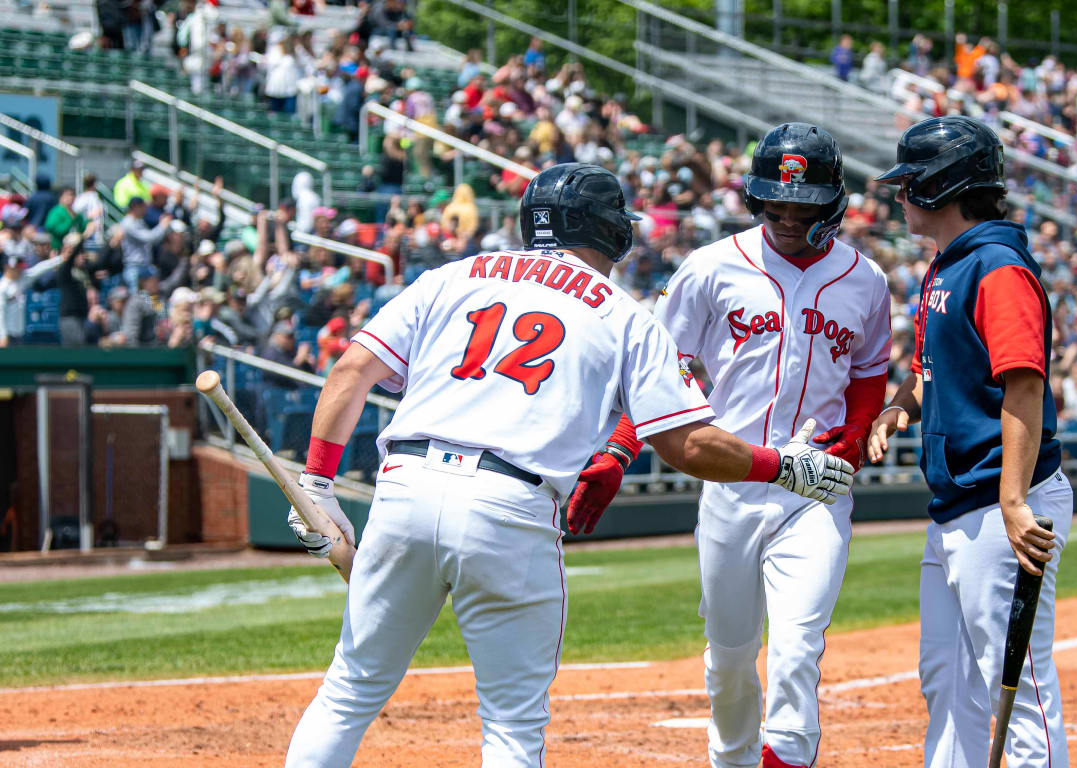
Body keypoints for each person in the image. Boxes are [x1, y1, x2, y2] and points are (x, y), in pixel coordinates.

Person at [281, 163, 854, 768]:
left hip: (404, 488)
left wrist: (316, 484)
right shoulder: (622, 312)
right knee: (510, 725)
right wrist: (782, 467)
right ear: (612, 232)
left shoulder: (451, 276)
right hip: (510, 507)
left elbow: (350, 371)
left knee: (348, 692)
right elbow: (688, 446)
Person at [562, 123, 891, 768]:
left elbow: (870, 372)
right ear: (755, 197)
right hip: (729, 481)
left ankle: (788, 756)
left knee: (797, 646)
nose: (789, 216)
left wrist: (850, 444)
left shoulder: (866, 279)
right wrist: (621, 449)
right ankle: (733, 759)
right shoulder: (711, 266)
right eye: (777, 202)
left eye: (804, 204)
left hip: (815, 492)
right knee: (731, 656)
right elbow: (660, 370)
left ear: (833, 201)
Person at [868, 115, 1071, 768]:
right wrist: (899, 405)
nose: (899, 197)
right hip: (959, 500)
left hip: (1000, 500)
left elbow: (1025, 387)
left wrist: (1014, 501)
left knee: (1019, 683)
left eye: (909, 185)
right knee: (948, 678)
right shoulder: (947, 266)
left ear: (942, 186)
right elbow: (932, 369)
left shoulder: (997, 267)